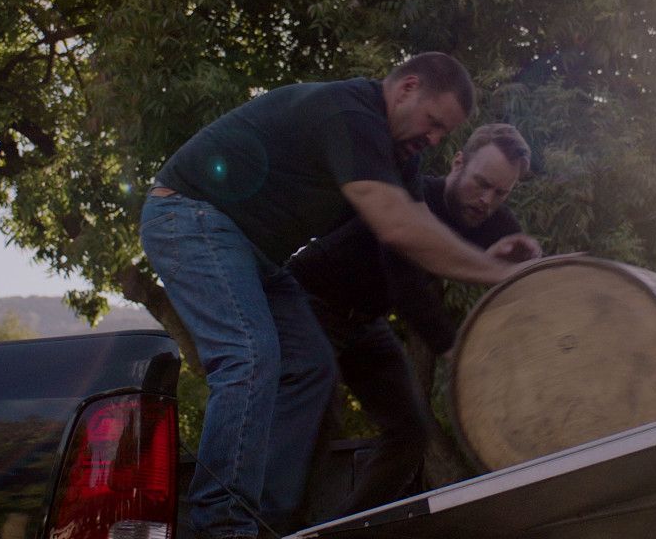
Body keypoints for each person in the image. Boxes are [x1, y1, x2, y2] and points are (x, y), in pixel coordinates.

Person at [140, 52, 518, 539]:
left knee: (310, 367)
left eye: (444, 134)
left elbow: (424, 226)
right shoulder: (351, 113)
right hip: (189, 217)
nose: (434, 139)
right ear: (406, 89)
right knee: (251, 357)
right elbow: (399, 226)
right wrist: (494, 273)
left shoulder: (399, 155)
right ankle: (222, 524)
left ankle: (267, 521)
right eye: (433, 123)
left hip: (257, 257)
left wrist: (503, 252)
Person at [289, 123, 542, 519]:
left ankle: (349, 528)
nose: (486, 200)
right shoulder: (414, 198)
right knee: (319, 415)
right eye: (481, 183)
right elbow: (407, 290)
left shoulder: (489, 214)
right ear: (459, 162)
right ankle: (284, 528)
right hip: (309, 302)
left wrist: (529, 256)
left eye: (501, 193)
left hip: (365, 323)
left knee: (411, 431)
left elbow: (519, 263)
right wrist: (456, 350)